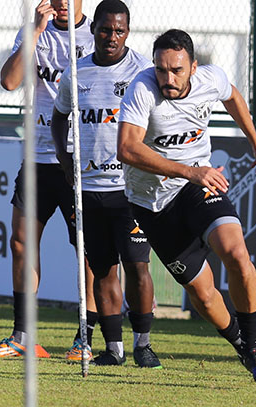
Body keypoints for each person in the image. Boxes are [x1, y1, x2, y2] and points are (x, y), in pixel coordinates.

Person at [116, 29, 256, 383]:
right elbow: (127, 149)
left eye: (176, 70)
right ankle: (241, 344)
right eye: (161, 69)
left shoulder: (211, 78)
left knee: (236, 254)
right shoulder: (142, 90)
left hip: (198, 189)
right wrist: (190, 171)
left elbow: (233, 97)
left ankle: (254, 344)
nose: (167, 79)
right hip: (152, 204)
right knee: (204, 297)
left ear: (193, 67)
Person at [0, 0, 96, 359]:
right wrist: (35, 32)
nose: (60, 2)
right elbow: (10, 81)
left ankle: (86, 338)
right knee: (21, 242)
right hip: (39, 158)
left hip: (80, 161)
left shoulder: (96, 36)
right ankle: (23, 334)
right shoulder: (34, 32)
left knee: (90, 252)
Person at [51, 0, 161, 368]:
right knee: (102, 269)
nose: (111, 37)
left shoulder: (143, 71)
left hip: (129, 190)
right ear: (93, 27)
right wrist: (66, 161)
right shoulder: (77, 72)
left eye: (119, 31)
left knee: (137, 265)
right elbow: (59, 118)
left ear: (128, 32)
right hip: (89, 189)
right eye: (105, 29)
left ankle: (143, 344)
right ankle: (113, 349)